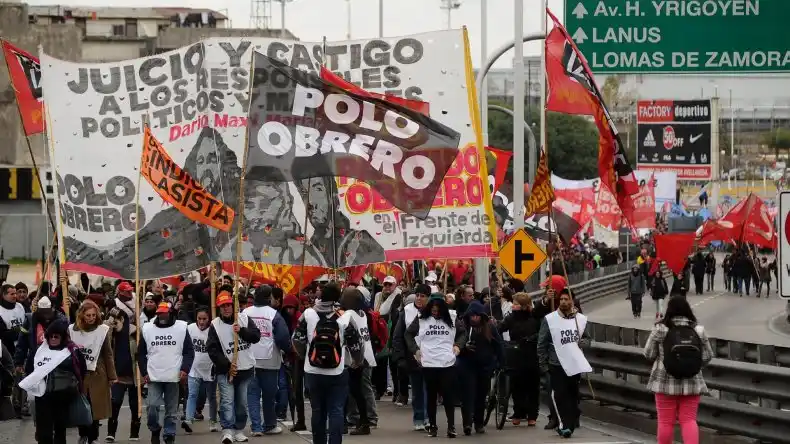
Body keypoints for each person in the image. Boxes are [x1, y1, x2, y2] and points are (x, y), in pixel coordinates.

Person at [292, 283, 364, 444]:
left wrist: (307, 356)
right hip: (337, 372)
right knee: (336, 411)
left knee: (317, 411)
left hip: (312, 371)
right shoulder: (344, 316)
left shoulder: (309, 313)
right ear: (338, 297)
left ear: (320, 295)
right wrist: (356, 362)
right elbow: (357, 345)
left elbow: (296, 339)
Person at [643, 297, 714, 444]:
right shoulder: (698, 330)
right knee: (688, 420)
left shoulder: (660, 329)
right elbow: (707, 357)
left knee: (665, 422)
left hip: (664, 383)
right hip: (692, 382)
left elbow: (648, 354)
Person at [404, 293, 467, 438]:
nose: (435, 312)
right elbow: (408, 334)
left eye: (438, 309)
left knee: (448, 395)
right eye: (433, 309)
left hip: (447, 362)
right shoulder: (421, 319)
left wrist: (458, 346)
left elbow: (463, 333)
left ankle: (451, 426)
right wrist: (415, 350)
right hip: (429, 362)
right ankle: (432, 425)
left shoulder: (452, 317)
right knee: (431, 396)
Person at [206, 290, 261, 444]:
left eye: (228, 305)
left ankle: (239, 429)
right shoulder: (215, 325)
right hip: (226, 372)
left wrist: (242, 331)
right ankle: (227, 430)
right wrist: (227, 366)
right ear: (219, 308)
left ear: (233, 305)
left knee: (242, 403)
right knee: (227, 401)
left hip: (246, 370)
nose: (226, 308)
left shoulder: (244, 318)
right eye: (223, 306)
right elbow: (212, 350)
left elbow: (256, 336)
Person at [19, 319, 87, 444]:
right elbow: (30, 370)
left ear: (63, 337)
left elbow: (82, 370)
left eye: (57, 336)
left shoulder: (72, 351)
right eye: (51, 336)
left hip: (63, 396)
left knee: (60, 430)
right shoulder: (39, 351)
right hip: (42, 396)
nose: (54, 339)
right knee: (44, 433)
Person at [137, 302, 195, 444]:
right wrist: (144, 372)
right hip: (153, 375)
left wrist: (184, 369)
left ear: (170, 313)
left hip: (173, 375)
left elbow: (189, 351)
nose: (162, 316)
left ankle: (169, 434)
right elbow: (140, 353)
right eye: (159, 313)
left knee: (171, 409)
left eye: (164, 313)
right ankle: (154, 428)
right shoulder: (147, 329)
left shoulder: (181, 328)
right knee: (152, 406)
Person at [537, 289, 592, 438]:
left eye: (566, 299)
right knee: (559, 395)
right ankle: (564, 425)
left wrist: (584, 343)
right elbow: (541, 343)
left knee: (573, 395)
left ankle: (571, 420)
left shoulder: (580, 320)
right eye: (561, 299)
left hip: (574, 363)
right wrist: (543, 364)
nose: (563, 302)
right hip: (556, 363)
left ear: (572, 301)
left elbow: (588, 339)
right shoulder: (550, 319)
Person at [243, 285, 291, 436]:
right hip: (270, 360)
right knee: (269, 394)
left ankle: (256, 427)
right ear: (269, 297)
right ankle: (269, 425)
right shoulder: (274, 315)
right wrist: (289, 351)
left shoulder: (245, 312)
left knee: (252, 394)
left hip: (250, 359)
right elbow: (283, 337)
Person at [70, 300, 117, 444]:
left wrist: (112, 376)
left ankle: (93, 436)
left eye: (93, 315)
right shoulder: (72, 330)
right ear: (82, 315)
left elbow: (108, 353)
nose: (91, 318)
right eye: (88, 315)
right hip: (79, 374)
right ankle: (83, 433)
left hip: (97, 372)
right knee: (80, 404)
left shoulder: (102, 330)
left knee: (94, 406)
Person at [457, 300, 504, 435]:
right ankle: (467, 423)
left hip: (484, 367)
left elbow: (498, 345)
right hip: (467, 365)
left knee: (481, 396)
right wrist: (464, 348)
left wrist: (500, 363)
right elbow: (455, 343)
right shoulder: (463, 326)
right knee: (467, 395)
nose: (474, 318)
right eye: (472, 315)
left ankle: (478, 422)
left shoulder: (489, 327)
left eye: (477, 316)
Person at [497, 292, 540, 427]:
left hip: (532, 354)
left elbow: (541, 333)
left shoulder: (534, 318)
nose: (513, 306)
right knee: (517, 385)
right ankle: (518, 412)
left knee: (532, 387)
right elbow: (500, 328)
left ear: (523, 305)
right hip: (516, 353)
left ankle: (532, 415)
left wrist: (531, 339)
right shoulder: (511, 318)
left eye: (516, 304)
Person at [339, 288, 378, 436]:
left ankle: (356, 422)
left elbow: (340, 329)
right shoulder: (362, 314)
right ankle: (363, 421)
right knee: (358, 391)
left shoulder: (348, 315)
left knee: (350, 390)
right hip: (364, 355)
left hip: (353, 358)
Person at [391, 285, 431, 431]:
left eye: (423, 296)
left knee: (429, 389)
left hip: (431, 357)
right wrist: (400, 357)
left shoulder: (434, 311)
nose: (419, 298)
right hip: (413, 357)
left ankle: (428, 417)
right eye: (418, 295)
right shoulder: (406, 312)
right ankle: (419, 417)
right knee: (417, 390)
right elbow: (397, 336)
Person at [103, 307, 141, 442]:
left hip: (133, 373)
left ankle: (134, 432)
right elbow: (104, 342)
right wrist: (110, 325)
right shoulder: (110, 332)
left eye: (118, 319)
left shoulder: (134, 331)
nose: (115, 322)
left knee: (135, 404)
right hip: (117, 375)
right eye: (114, 319)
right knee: (115, 402)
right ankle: (111, 432)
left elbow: (141, 350)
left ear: (123, 319)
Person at [182, 306, 218, 433]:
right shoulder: (190, 328)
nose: (201, 322)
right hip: (194, 368)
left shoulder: (213, 330)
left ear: (209, 319)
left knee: (212, 396)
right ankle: (188, 419)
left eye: (204, 319)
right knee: (192, 394)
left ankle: (213, 421)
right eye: (199, 319)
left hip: (210, 368)